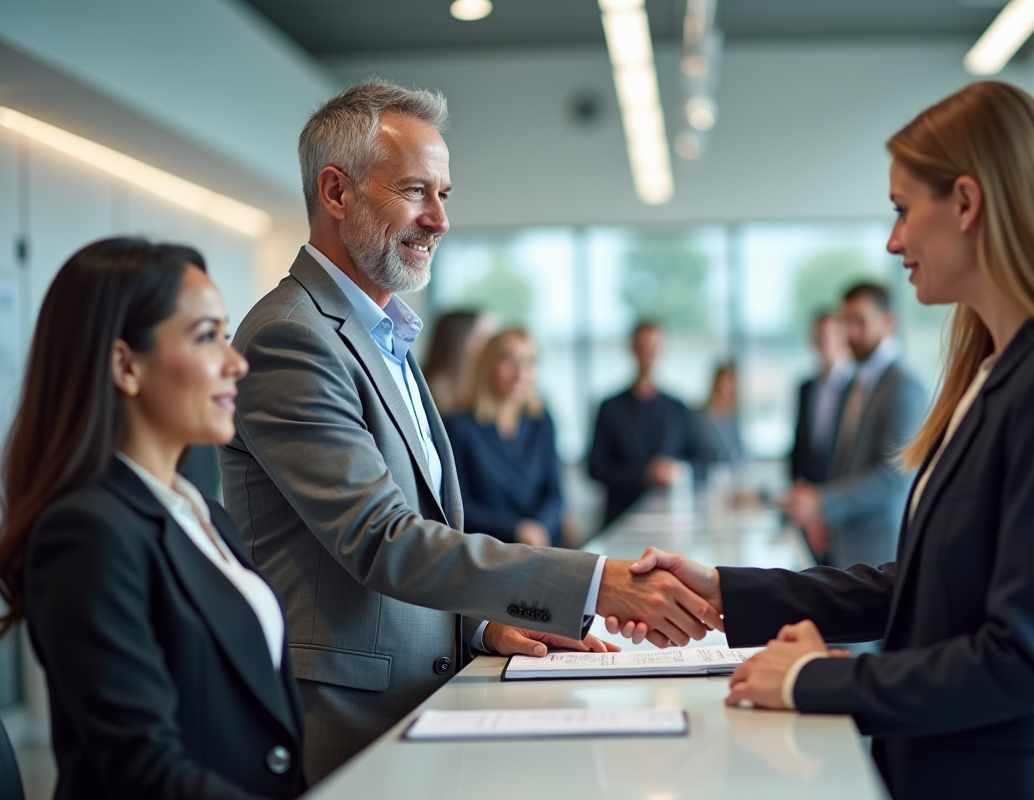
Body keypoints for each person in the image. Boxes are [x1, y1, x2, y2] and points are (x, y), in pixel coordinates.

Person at [610, 82, 1034, 800]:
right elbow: (917, 584)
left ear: (967, 204)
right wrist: (725, 590)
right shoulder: (998, 370)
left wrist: (819, 677)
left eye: (904, 210)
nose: (893, 240)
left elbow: (1025, 659)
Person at [219, 79, 720, 781]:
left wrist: (483, 625)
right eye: (416, 191)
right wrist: (594, 585)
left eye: (444, 195)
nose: (440, 221)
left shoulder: (383, 334)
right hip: (344, 722)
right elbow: (381, 540)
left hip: (420, 702)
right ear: (336, 194)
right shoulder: (291, 338)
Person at [0, 238, 305, 799]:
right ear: (125, 364)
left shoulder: (201, 513)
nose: (236, 361)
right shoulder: (86, 531)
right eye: (207, 336)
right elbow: (144, 770)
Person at [780, 284, 925, 568]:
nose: (851, 333)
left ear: (888, 322)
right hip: (845, 543)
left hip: (881, 548)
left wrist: (822, 503)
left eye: (860, 322)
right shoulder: (856, 383)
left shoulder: (903, 386)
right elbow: (844, 462)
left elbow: (893, 475)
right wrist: (825, 517)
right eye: (847, 322)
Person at [444, 328, 563, 548]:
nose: (521, 373)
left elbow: (554, 494)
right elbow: (460, 507)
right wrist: (518, 529)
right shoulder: (459, 428)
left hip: (543, 547)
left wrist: (540, 527)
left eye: (529, 362)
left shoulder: (541, 420)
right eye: (510, 361)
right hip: (491, 551)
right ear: (489, 367)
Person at [588, 321, 712, 524]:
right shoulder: (610, 407)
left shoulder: (678, 408)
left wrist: (679, 470)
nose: (648, 352)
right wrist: (645, 473)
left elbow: (702, 461)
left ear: (663, 350)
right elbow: (596, 468)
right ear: (631, 349)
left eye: (654, 346)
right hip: (623, 517)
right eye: (642, 345)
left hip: (671, 517)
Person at [787, 311, 852, 563]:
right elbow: (798, 448)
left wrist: (824, 511)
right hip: (806, 505)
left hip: (838, 503)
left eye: (830, 335)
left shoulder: (857, 388)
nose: (824, 342)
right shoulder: (805, 387)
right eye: (818, 336)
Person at [422, 310, 496, 415]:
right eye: (482, 337)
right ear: (460, 340)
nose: (491, 346)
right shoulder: (435, 391)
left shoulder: (476, 383)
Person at [696, 362, 743, 464]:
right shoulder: (699, 418)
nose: (727, 387)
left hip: (730, 475)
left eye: (731, 382)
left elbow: (740, 451)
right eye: (725, 382)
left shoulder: (732, 419)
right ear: (716, 383)